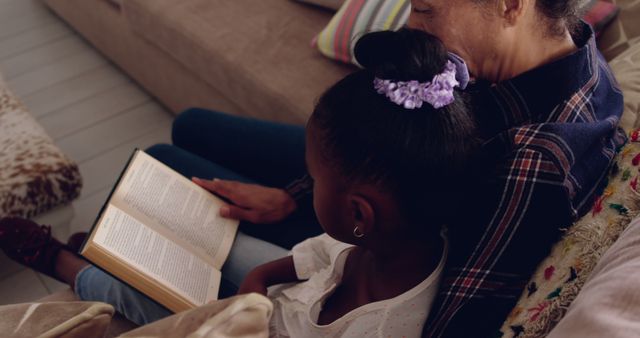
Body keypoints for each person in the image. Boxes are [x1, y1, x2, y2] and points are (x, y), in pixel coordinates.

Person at [0, 0, 626, 336]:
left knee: (165, 165)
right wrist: (292, 196)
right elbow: (376, 149)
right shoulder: (553, 56)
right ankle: (115, 249)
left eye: (426, 9)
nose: (414, 24)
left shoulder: (534, 163)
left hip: (386, 222)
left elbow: (447, 316)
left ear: (510, 4)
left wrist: (307, 206)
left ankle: (86, 263)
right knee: (191, 126)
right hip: (377, 193)